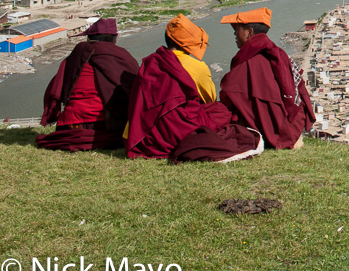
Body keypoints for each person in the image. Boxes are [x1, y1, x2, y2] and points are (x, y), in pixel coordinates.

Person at [125, 14, 262, 162]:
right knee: (220, 110)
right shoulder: (196, 67)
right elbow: (210, 99)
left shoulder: (150, 62)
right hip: (179, 128)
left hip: (146, 133)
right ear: (188, 43)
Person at [219, 8, 315, 149]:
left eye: (237, 29)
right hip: (290, 124)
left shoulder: (250, 61)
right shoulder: (280, 53)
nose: (234, 33)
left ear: (249, 32)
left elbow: (228, 92)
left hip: (272, 129)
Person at [37, 18, 138, 151]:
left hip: (69, 126)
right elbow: (134, 88)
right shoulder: (121, 56)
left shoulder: (75, 57)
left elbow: (56, 90)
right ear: (116, 38)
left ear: (88, 39)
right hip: (107, 127)